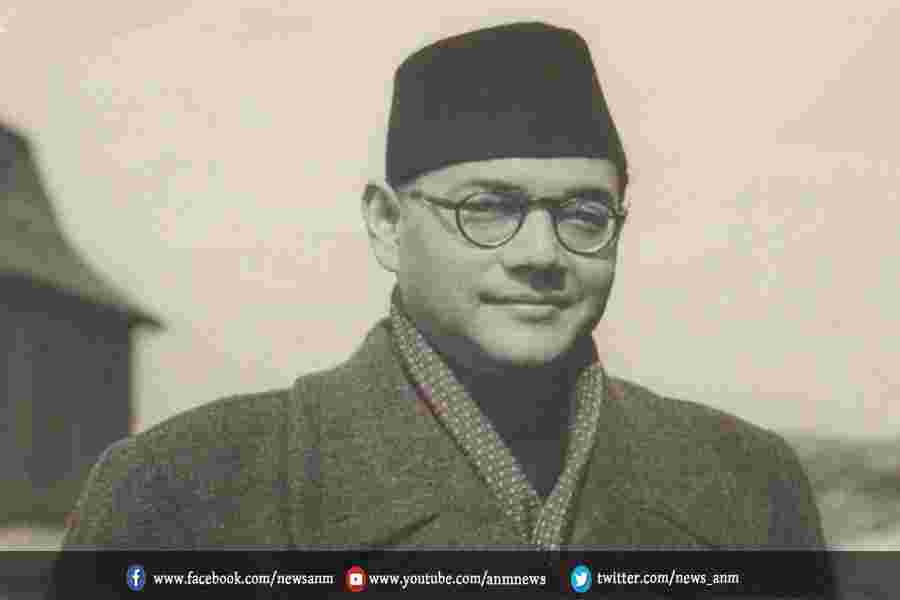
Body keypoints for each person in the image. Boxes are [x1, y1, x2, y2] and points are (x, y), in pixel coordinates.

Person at [60, 22, 826, 551]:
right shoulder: (184, 494)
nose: (541, 253)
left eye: (584, 215)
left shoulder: (747, 486)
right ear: (387, 224)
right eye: (487, 208)